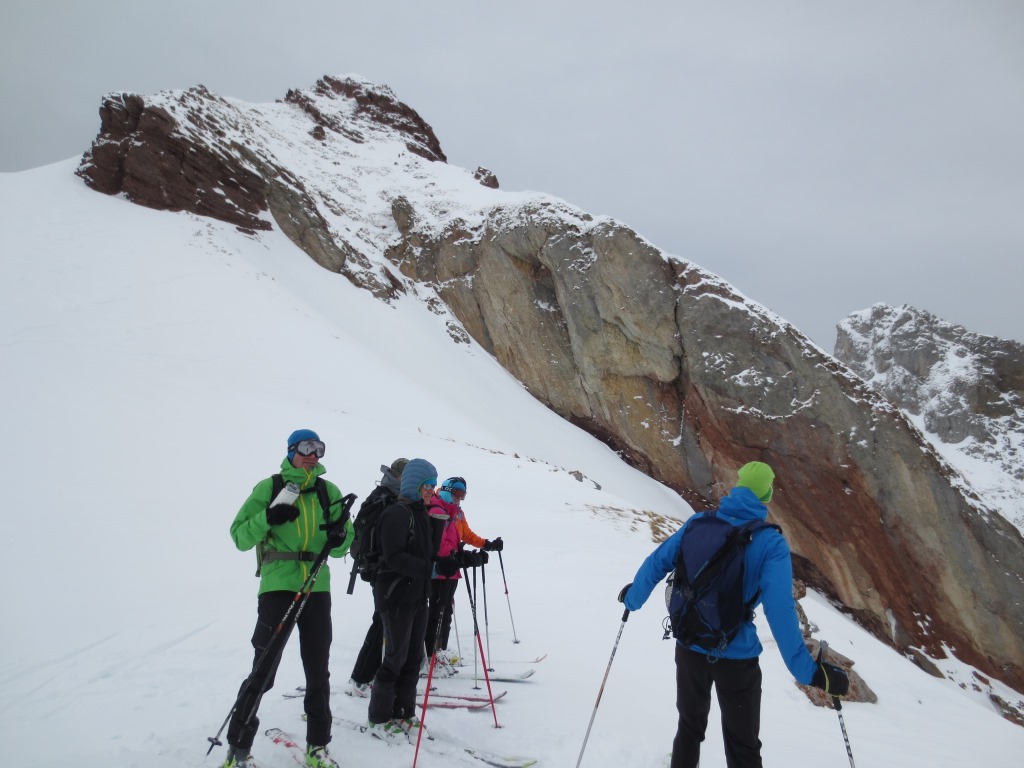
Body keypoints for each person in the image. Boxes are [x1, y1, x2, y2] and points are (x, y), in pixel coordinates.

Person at [618, 461, 849, 768]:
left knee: (689, 727)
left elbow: (657, 562)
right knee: (743, 747)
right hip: (736, 659)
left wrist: (633, 599)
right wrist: (810, 672)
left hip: (689, 644)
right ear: (766, 494)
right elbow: (780, 611)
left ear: (737, 487)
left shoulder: (699, 522)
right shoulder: (770, 543)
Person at [221, 429, 354, 768]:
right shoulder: (271, 487)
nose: (313, 454)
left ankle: (318, 746)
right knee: (263, 668)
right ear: (292, 450)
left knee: (317, 668)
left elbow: (342, 543)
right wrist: (269, 517)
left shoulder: (329, 491)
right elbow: (239, 536)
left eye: (319, 449)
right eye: (307, 447)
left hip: (317, 587)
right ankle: (237, 749)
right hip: (278, 586)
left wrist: (339, 535)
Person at [367, 458, 460, 745]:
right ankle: (379, 718)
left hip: (418, 595)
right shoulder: (396, 513)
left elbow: (428, 557)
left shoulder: (422, 514)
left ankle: (404, 711)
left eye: (433, 485)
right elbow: (394, 557)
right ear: (414, 484)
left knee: (412, 658)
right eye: (427, 485)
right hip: (395, 595)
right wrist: (430, 570)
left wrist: (457, 561)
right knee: (394, 658)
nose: (431, 490)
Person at [424, 476, 503, 673]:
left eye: (463, 495)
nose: (459, 498)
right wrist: (455, 558)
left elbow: (466, 534)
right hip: (437, 570)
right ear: (445, 490)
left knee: (447, 611)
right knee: (435, 613)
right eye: (456, 494)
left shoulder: (457, 513)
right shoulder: (435, 509)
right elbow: (437, 541)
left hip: (452, 570)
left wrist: (487, 544)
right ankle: (426, 655)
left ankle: (439, 651)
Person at [347, 458, 408, 697]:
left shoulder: (383, 495)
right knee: (382, 623)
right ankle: (361, 677)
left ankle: (368, 675)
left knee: (384, 622)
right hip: (384, 570)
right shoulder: (388, 499)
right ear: (397, 476)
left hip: (383, 568)